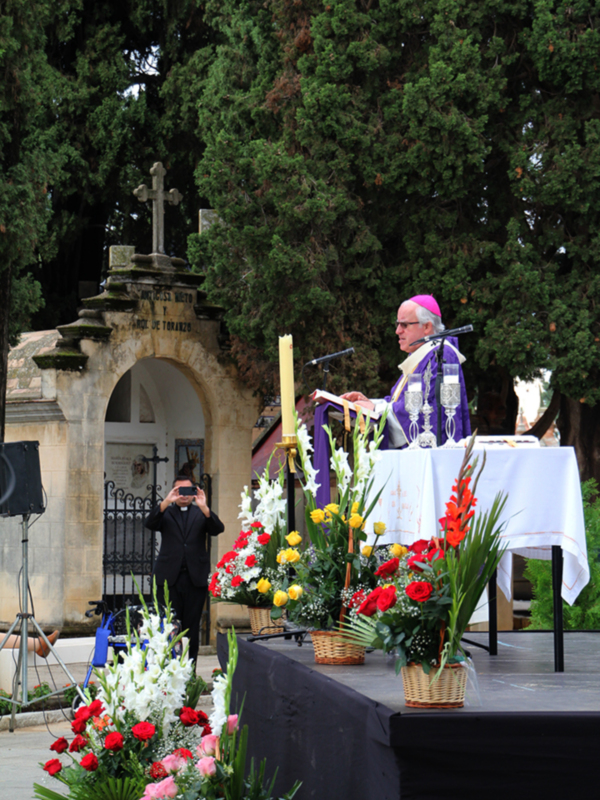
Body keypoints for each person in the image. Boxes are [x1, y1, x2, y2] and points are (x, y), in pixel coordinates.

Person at [342, 295, 471, 447]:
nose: (397, 331)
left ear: (427, 327)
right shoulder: (421, 356)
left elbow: (421, 411)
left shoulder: (440, 354)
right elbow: (400, 403)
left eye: (404, 325)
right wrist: (368, 404)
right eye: (397, 324)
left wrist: (375, 409)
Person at [144, 476, 224, 664]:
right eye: (179, 491)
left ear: (194, 492)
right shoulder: (166, 512)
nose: (184, 495)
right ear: (173, 492)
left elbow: (217, 529)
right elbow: (150, 523)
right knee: (170, 626)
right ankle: (169, 669)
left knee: (191, 627)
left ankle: (190, 671)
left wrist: (204, 507)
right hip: (168, 580)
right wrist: (166, 502)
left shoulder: (201, 513)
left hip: (194, 580)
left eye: (188, 491)